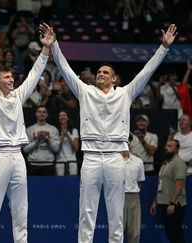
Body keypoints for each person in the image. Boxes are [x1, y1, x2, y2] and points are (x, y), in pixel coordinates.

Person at [45, 23, 177, 242]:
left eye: (106, 72)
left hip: (116, 158)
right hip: (91, 158)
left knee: (116, 212)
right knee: (87, 211)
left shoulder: (125, 94)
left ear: (115, 78)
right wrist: (54, 45)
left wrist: (163, 47)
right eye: (98, 72)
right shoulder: (85, 92)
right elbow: (66, 70)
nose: (101, 74)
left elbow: (147, 71)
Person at [0, 23, 51, 243]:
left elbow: (34, 76)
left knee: (21, 209)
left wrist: (45, 50)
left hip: (18, 156)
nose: (11, 79)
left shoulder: (17, 96)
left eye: (11, 77)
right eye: (6, 77)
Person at [150, 139, 187, 243]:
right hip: (164, 202)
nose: (166, 148)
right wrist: (155, 201)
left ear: (177, 149)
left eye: (170, 146)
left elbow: (179, 185)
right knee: (170, 233)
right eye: (166, 145)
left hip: (175, 204)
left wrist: (172, 203)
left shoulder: (179, 163)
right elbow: (161, 184)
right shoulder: (166, 163)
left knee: (176, 233)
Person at [23, 106, 60, 176]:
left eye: (44, 112)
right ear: (36, 114)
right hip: (33, 164)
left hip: (48, 164)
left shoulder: (53, 129)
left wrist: (47, 139)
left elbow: (56, 149)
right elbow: (25, 150)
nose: (41, 114)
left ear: (47, 115)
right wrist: (37, 141)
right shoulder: (29, 129)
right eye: (39, 112)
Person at [123, 135, 145, 243]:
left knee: (134, 232)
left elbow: (140, 181)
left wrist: (132, 190)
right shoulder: (112, 161)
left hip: (133, 198)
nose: (126, 143)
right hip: (117, 197)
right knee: (116, 232)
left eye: (128, 141)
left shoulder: (138, 161)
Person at [56, 110, 80, 176]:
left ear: (68, 117)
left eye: (64, 115)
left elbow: (76, 148)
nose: (62, 117)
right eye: (60, 115)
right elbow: (56, 148)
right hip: (60, 160)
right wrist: (63, 136)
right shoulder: (56, 131)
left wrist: (67, 135)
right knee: (60, 181)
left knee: (72, 180)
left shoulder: (74, 130)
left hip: (72, 160)